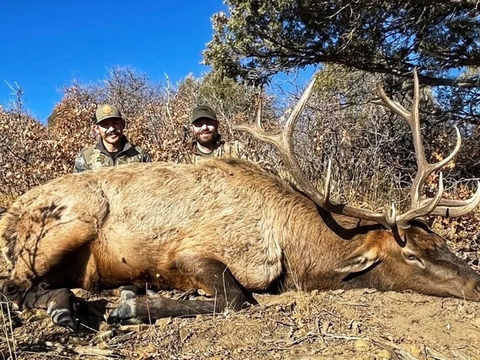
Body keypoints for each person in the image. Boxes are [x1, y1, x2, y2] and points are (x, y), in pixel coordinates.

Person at [73, 104, 151, 173]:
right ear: (96, 129)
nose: (111, 129)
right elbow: (78, 187)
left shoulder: (140, 155)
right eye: (105, 125)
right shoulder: (85, 157)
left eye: (115, 123)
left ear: (123, 124)